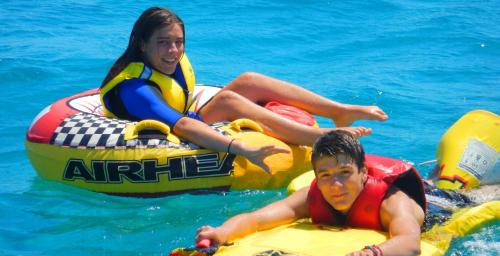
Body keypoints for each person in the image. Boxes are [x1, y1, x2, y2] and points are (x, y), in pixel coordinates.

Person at [100, 7, 388, 173]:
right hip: (167, 132)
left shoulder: (169, 59)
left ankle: (340, 111)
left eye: (178, 41)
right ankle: (317, 138)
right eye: (163, 42)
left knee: (248, 79)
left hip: (184, 115)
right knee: (228, 100)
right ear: (142, 44)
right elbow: (182, 125)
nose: (173, 50)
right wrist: (239, 148)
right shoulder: (134, 88)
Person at [195, 131, 426, 256]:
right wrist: (222, 232)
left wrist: (372, 254)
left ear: (363, 172)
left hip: (440, 208)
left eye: (345, 173)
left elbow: (410, 242)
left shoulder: (391, 201)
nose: (335, 185)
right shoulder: (311, 197)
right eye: (325, 176)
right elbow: (257, 220)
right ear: (315, 176)